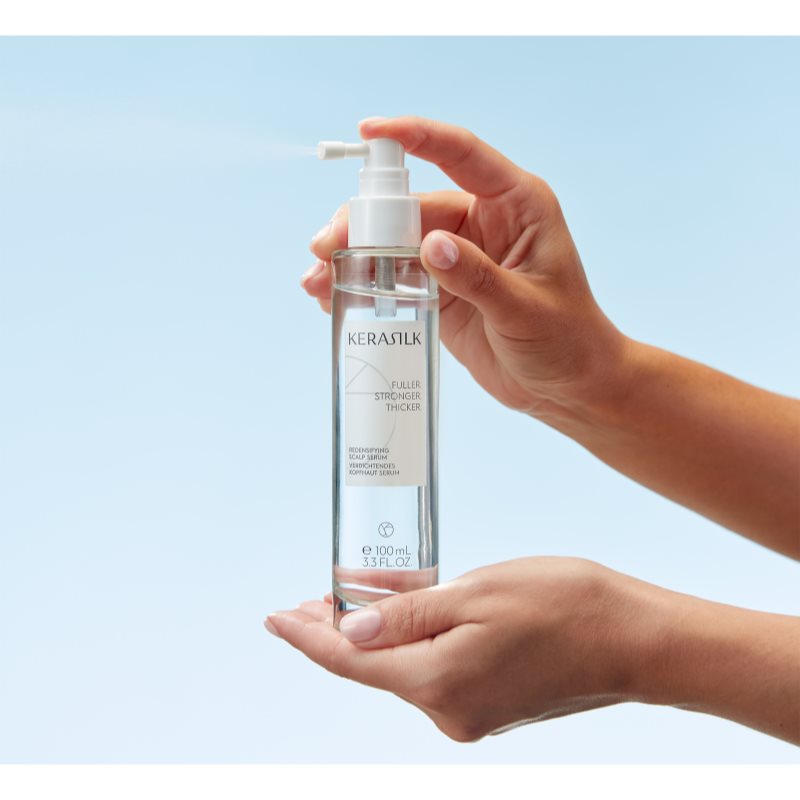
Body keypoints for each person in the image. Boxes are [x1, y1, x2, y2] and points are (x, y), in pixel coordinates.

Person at [265, 116, 800, 745]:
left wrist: (631, 644)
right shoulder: (365, 269)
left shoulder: (407, 271)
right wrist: (583, 381)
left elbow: (628, 641)